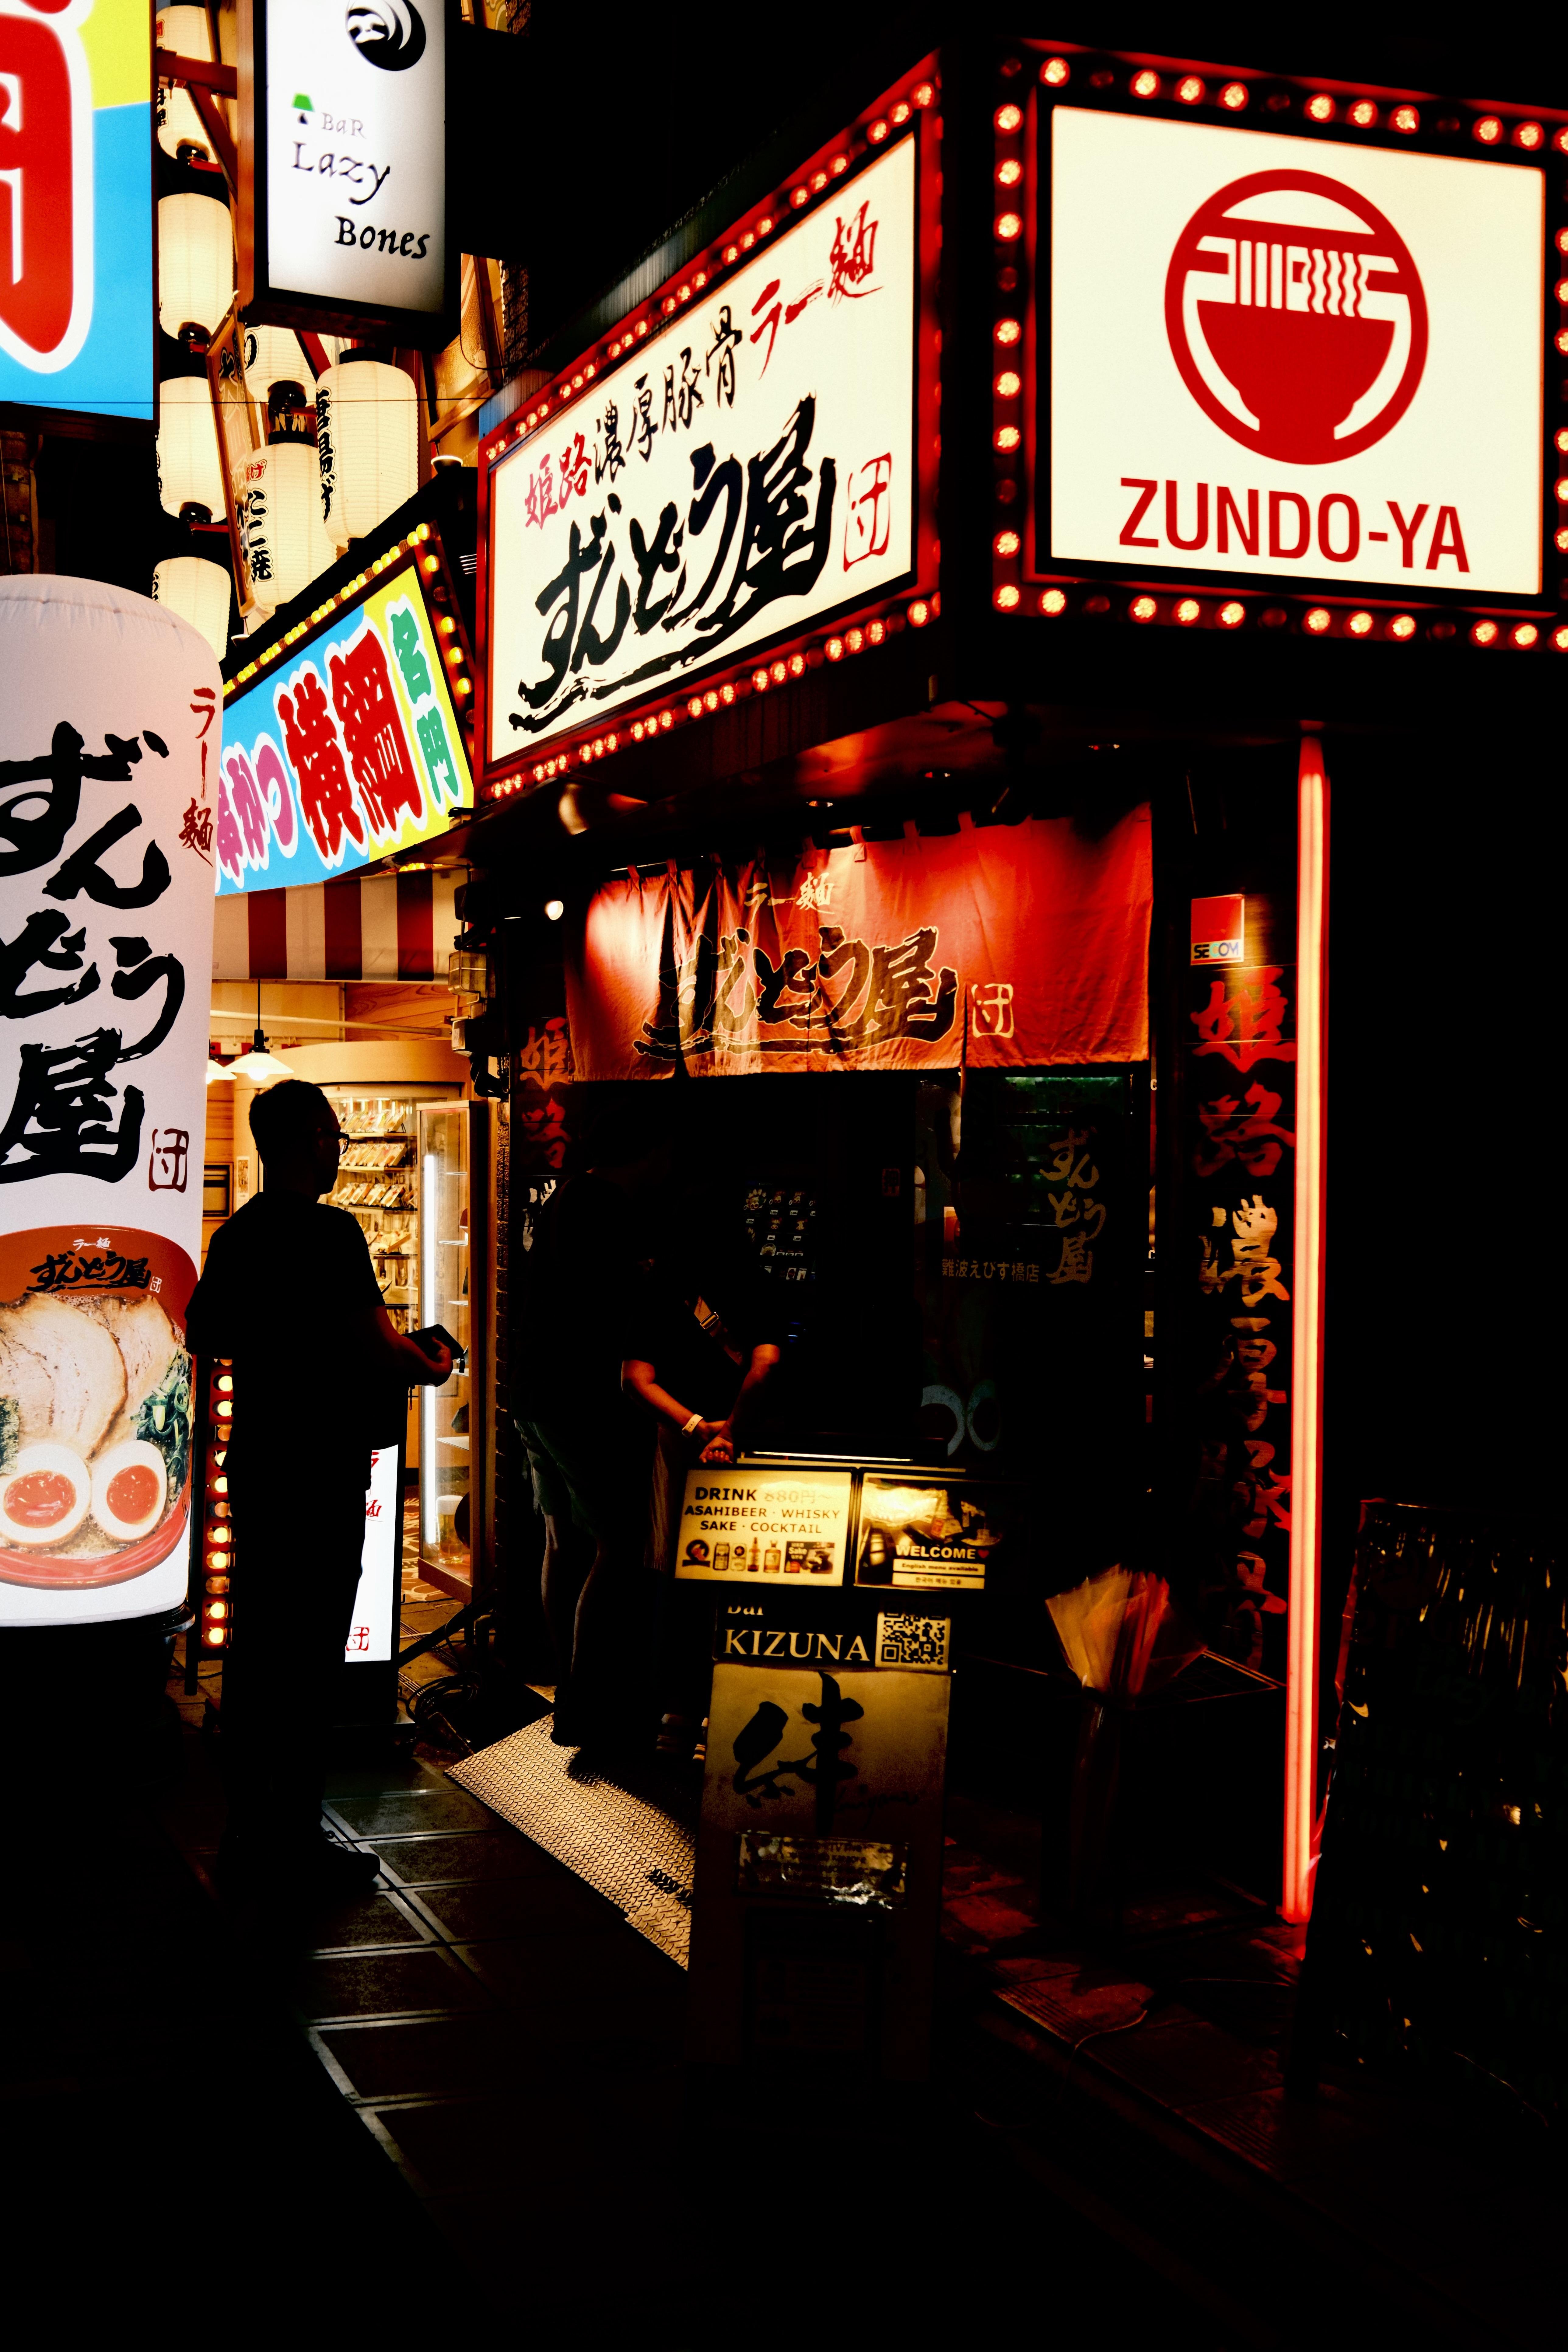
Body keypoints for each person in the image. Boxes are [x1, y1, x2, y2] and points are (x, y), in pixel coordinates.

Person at [185, 1080, 451, 1898]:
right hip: (324, 1469)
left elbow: (203, 1330)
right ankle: (297, 1839)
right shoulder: (332, 1234)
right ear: (307, 1137)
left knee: (257, 1654)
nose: (341, 1148)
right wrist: (431, 1361)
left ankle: (244, 1834)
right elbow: (378, 1350)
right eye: (334, 1134)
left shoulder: (240, 1237)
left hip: (261, 1465)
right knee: (310, 1663)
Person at [509, 1105, 661, 1749]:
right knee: (618, 1543)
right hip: (579, 1398)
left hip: (534, 1394)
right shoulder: (608, 1206)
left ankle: (568, 1689)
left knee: (562, 1540)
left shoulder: (563, 1197)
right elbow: (615, 1303)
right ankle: (586, 1702)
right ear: (645, 1152)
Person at [621, 1184, 783, 1760]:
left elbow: (636, 1380)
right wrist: (734, 1429)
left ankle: (678, 1717)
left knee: (679, 1577)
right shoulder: (755, 1280)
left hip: (681, 1450)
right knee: (746, 1577)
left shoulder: (659, 1286)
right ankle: (743, 1707)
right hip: (748, 1449)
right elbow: (765, 1362)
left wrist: (694, 1428)